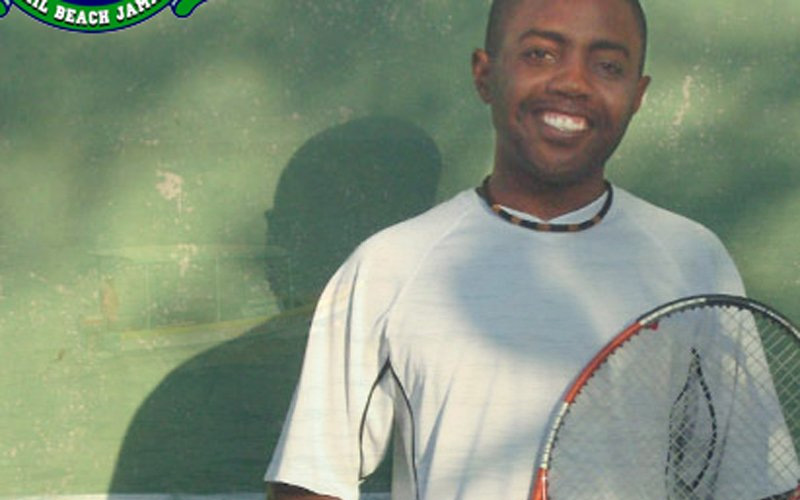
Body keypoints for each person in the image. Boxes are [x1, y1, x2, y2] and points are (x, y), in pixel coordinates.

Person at [264, 0, 765, 498]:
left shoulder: (693, 262)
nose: (573, 82)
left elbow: (755, 483)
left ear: (637, 95)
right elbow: (308, 484)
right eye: (540, 54)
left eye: (608, 65)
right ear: (485, 75)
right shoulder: (388, 267)